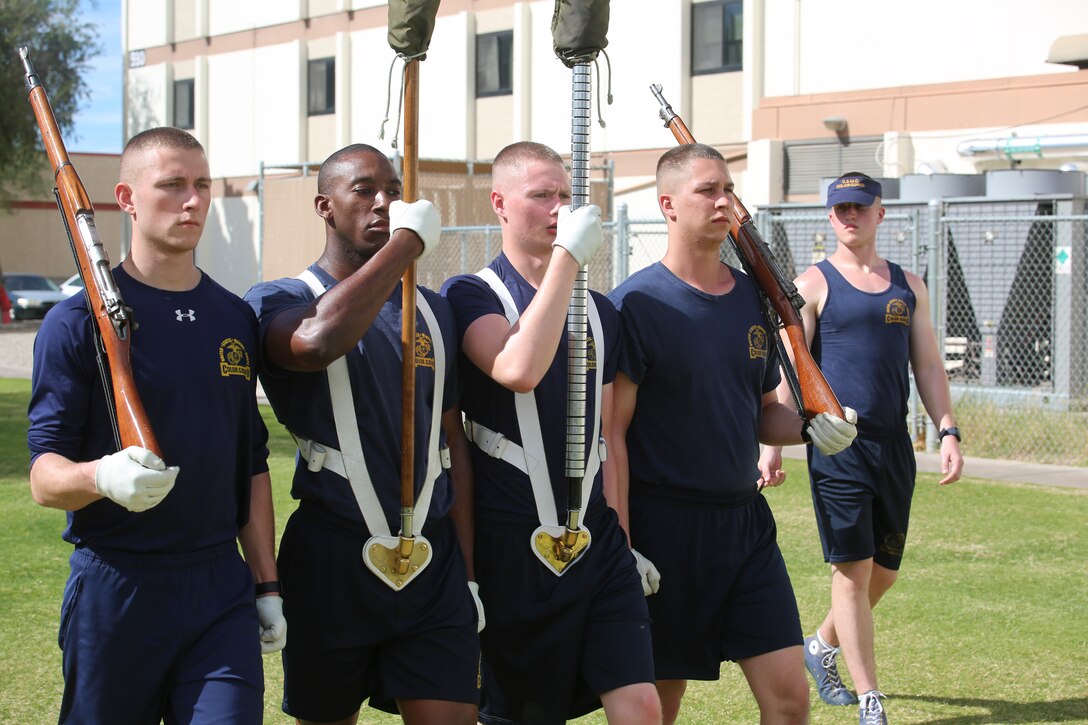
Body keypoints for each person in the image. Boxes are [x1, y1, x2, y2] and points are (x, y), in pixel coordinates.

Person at [27, 126, 284, 723]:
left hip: (220, 587)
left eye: (202, 185)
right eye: (171, 186)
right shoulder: (74, 324)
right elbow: (43, 476)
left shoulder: (234, 316)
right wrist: (100, 477)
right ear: (127, 198)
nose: (192, 201)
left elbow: (251, 462)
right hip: (119, 585)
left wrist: (266, 586)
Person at [607, 143, 858, 725]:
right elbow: (611, 435)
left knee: (791, 702)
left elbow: (763, 407)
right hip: (664, 528)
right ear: (668, 205)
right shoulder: (635, 304)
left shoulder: (752, 296)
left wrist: (811, 427)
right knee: (656, 708)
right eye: (708, 191)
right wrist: (622, 541)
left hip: (745, 527)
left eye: (729, 189)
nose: (725, 202)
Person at [244, 143, 480, 725]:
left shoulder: (433, 309)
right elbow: (315, 342)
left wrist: (470, 573)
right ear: (325, 206)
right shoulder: (279, 297)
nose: (384, 203)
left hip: (433, 558)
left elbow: (453, 442)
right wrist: (406, 246)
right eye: (365, 190)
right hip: (332, 553)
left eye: (394, 192)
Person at [441, 141, 662, 725]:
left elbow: (610, 440)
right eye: (541, 196)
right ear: (500, 204)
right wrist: (568, 257)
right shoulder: (470, 294)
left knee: (641, 704)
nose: (559, 210)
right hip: (510, 540)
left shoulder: (602, 311)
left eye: (566, 197)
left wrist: (627, 539)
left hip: (598, 539)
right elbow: (518, 369)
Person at [761, 172, 964, 725]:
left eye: (859, 207)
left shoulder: (909, 285)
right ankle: (870, 697)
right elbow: (790, 366)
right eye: (839, 209)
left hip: (893, 446)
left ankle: (821, 645)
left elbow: (926, 364)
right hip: (837, 446)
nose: (848, 216)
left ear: (880, 214)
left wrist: (946, 429)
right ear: (829, 218)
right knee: (851, 570)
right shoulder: (813, 284)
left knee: (886, 570)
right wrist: (773, 443)